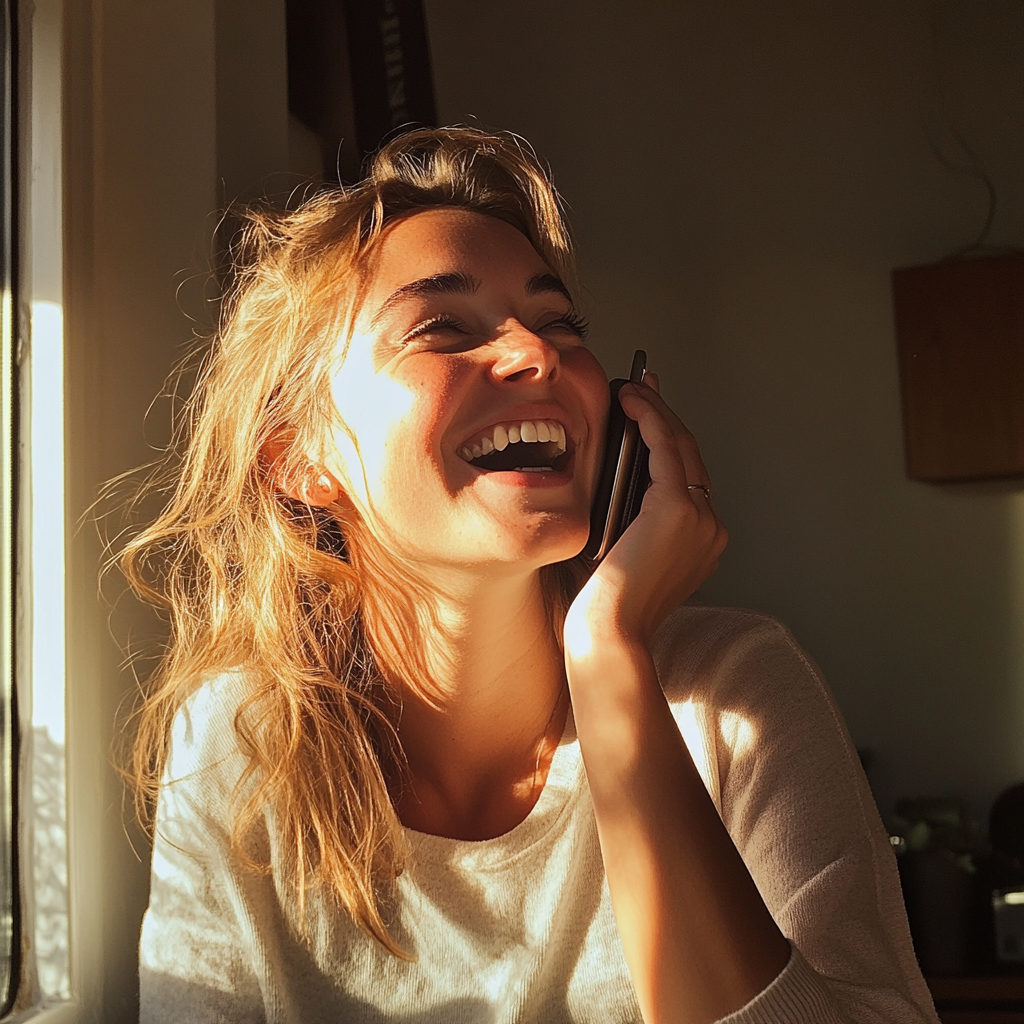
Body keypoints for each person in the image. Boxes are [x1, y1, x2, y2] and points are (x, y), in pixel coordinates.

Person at [127, 126, 938, 1024]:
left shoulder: (734, 694)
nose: (537, 352)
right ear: (297, 458)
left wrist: (610, 657)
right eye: (440, 327)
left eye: (558, 323)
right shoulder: (241, 740)